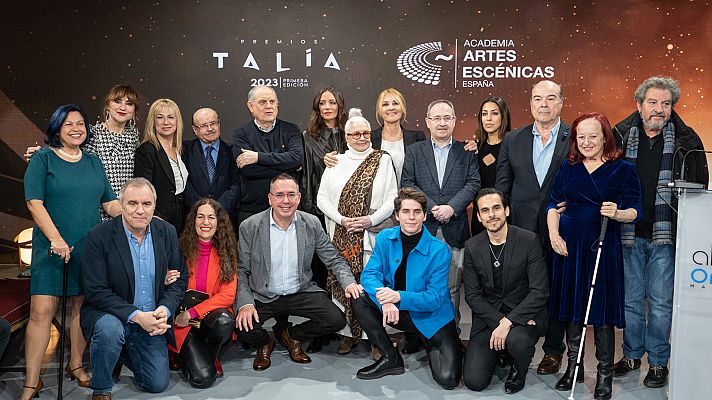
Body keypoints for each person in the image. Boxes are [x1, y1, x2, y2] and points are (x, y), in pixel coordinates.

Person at [611, 76, 708, 388]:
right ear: (639, 105)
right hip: (627, 233)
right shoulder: (619, 136)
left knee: (661, 302)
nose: (659, 109)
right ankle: (631, 354)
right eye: (652, 102)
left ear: (672, 108)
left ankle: (657, 362)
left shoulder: (687, 141)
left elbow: (700, 186)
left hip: (665, 236)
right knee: (630, 301)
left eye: (666, 104)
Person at [21, 104, 122, 400]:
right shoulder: (42, 159)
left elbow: (109, 203)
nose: (77, 128)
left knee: (81, 307)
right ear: (56, 129)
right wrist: (56, 239)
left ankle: (76, 365)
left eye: (81, 124)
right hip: (51, 247)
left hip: (87, 249)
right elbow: (33, 203)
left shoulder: (93, 162)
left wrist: (135, 212)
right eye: (69, 125)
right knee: (41, 312)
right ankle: (31, 381)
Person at [547, 113, 643, 400]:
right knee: (572, 309)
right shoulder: (568, 167)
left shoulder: (622, 170)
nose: (587, 142)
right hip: (569, 247)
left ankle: (604, 375)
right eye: (581, 137)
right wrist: (554, 235)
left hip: (603, 246)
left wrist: (618, 213)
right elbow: (553, 204)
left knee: (600, 313)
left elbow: (637, 209)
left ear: (605, 137)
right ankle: (573, 368)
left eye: (593, 136)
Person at [234, 174, 362, 371]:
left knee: (335, 320)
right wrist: (245, 304)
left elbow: (333, 259)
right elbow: (241, 269)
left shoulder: (311, 223)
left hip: (301, 291)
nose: (286, 201)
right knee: (244, 327)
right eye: (280, 195)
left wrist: (349, 283)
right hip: (263, 294)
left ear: (299, 198)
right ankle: (266, 341)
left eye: (291, 195)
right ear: (270, 198)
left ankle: (292, 336)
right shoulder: (250, 226)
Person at [80, 178, 187, 399]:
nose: (140, 210)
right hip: (111, 315)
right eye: (132, 203)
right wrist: (137, 316)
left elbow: (179, 279)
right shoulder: (98, 237)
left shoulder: (166, 232)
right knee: (110, 331)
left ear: (154, 206)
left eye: (146, 204)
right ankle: (101, 389)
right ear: (121, 205)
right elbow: (96, 291)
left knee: (157, 384)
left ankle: (121, 353)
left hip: (152, 318)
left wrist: (164, 311)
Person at [351, 187, 462, 389]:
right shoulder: (385, 238)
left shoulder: (439, 250)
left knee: (448, 380)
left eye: (417, 212)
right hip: (399, 312)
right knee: (359, 297)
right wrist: (385, 300)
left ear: (425, 215)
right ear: (396, 215)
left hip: (432, 318)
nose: (411, 217)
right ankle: (389, 357)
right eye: (405, 212)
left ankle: (423, 340)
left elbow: (434, 299)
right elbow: (369, 275)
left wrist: (396, 297)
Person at [495, 80, 571, 375]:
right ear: (530, 104)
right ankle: (515, 346)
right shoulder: (513, 139)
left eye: (550, 98)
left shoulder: (574, 137)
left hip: (561, 229)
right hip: (520, 229)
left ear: (561, 103)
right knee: (519, 288)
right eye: (538, 99)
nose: (544, 104)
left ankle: (553, 351)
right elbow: (502, 187)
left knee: (557, 289)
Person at [317, 108, 398, 354]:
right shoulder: (335, 161)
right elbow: (322, 199)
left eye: (365, 133)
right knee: (344, 285)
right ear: (347, 137)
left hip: (371, 235)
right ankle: (347, 335)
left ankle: (375, 338)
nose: (362, 138)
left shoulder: (382, 159)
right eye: (355, 134)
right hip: (341, 235)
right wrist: (342, 220)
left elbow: (392, 197)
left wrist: (369, 220)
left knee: (371, 285)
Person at [401, 99, 480, 330]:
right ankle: (419, 333)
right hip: (423, 229)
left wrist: (452, 207)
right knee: (419, 284)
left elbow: (474, 183)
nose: (442, 123)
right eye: (437, 118)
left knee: (452, 286)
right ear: (428, 122)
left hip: (454, 229)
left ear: (454, 121)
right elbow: (408, 183)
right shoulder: (415, 151)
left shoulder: (466, 151)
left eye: (447, 118)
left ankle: (449, 333)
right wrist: (433, 206)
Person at [463, 188, 549, 395]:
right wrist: (500, 321)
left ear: (506, 210)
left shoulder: (529, 241)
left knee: (518, 342)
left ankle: (519, 369)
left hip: (523, 317)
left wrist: (509, 321)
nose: (491, 214)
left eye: (496, 208)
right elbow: (472, 296)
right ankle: (500, 354)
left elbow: (539, 291)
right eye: (485, 210)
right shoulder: (472, 246)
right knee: (474, 382)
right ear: (479, 217)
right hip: (489, 318)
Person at [24, 84, 141, 220]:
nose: (123, 107)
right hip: (93, 211)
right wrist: (38, 154)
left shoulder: (134, 137)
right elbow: (63, 152)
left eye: (129, 103)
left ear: (134, 111)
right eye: (117, 101)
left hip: (123, 212)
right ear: (108, 105)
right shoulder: (90, 133)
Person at [169, 199, 237, 388]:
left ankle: (210, 354)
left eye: (211, 217)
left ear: (218, 222)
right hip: (183, 324)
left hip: (204, 318)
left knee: (225, 319)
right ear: (193, 220)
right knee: (204, 379)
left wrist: (192, 313)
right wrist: (164, 278)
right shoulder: (179, 249)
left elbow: (228, 296)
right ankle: (178, 350)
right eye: (200, 217)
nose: (205, 222)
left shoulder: (226, 252)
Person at [300, 87, 348, 352]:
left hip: (347, 214)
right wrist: (308, 214)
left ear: (340, 105)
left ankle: (348, 327)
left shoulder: (351, 132)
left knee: (344, 267)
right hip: (319, 212)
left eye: (332, 102)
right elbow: (306, 176)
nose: (327, 107)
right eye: (322, 103)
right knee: (318, 272)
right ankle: (321, 327)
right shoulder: (309, 137)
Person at [233, 85, 304, 227]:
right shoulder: (241, 133)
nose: (269, 106)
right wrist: (287, 169)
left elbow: (296, 159)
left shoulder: (291, 130)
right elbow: (248, 170)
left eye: (272, 101)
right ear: (250, 106)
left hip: (288, 209)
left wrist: (258, 157)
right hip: (252, 210)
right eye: (262, 102)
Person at [134, 98, 188, 234]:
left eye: (170, 117)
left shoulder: (181, 149)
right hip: (158, 220)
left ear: (177, 121)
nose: (166, 122)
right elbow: (142, 190)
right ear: (153, 121)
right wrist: (154, 217)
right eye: (160, 117)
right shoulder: (147, 150)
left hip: (182, 220)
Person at [183, 108, 240, 230]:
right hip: (194, 220)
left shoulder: (232, 151)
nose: (210, 129)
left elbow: (236, 184)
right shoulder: (185, 151)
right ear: (195, 130)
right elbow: (184, 183)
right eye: (204, 125)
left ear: (219, 124)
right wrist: (202, 209)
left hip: (226, 220)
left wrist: (217, 210)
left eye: (213, 123)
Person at [469, 96, 512, 236]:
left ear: (503, 116)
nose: (488, 118)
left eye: (494, 113)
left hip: (507, 214)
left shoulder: (514, 146)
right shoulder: (474, 148)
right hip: (481, 215)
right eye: (484, 114)